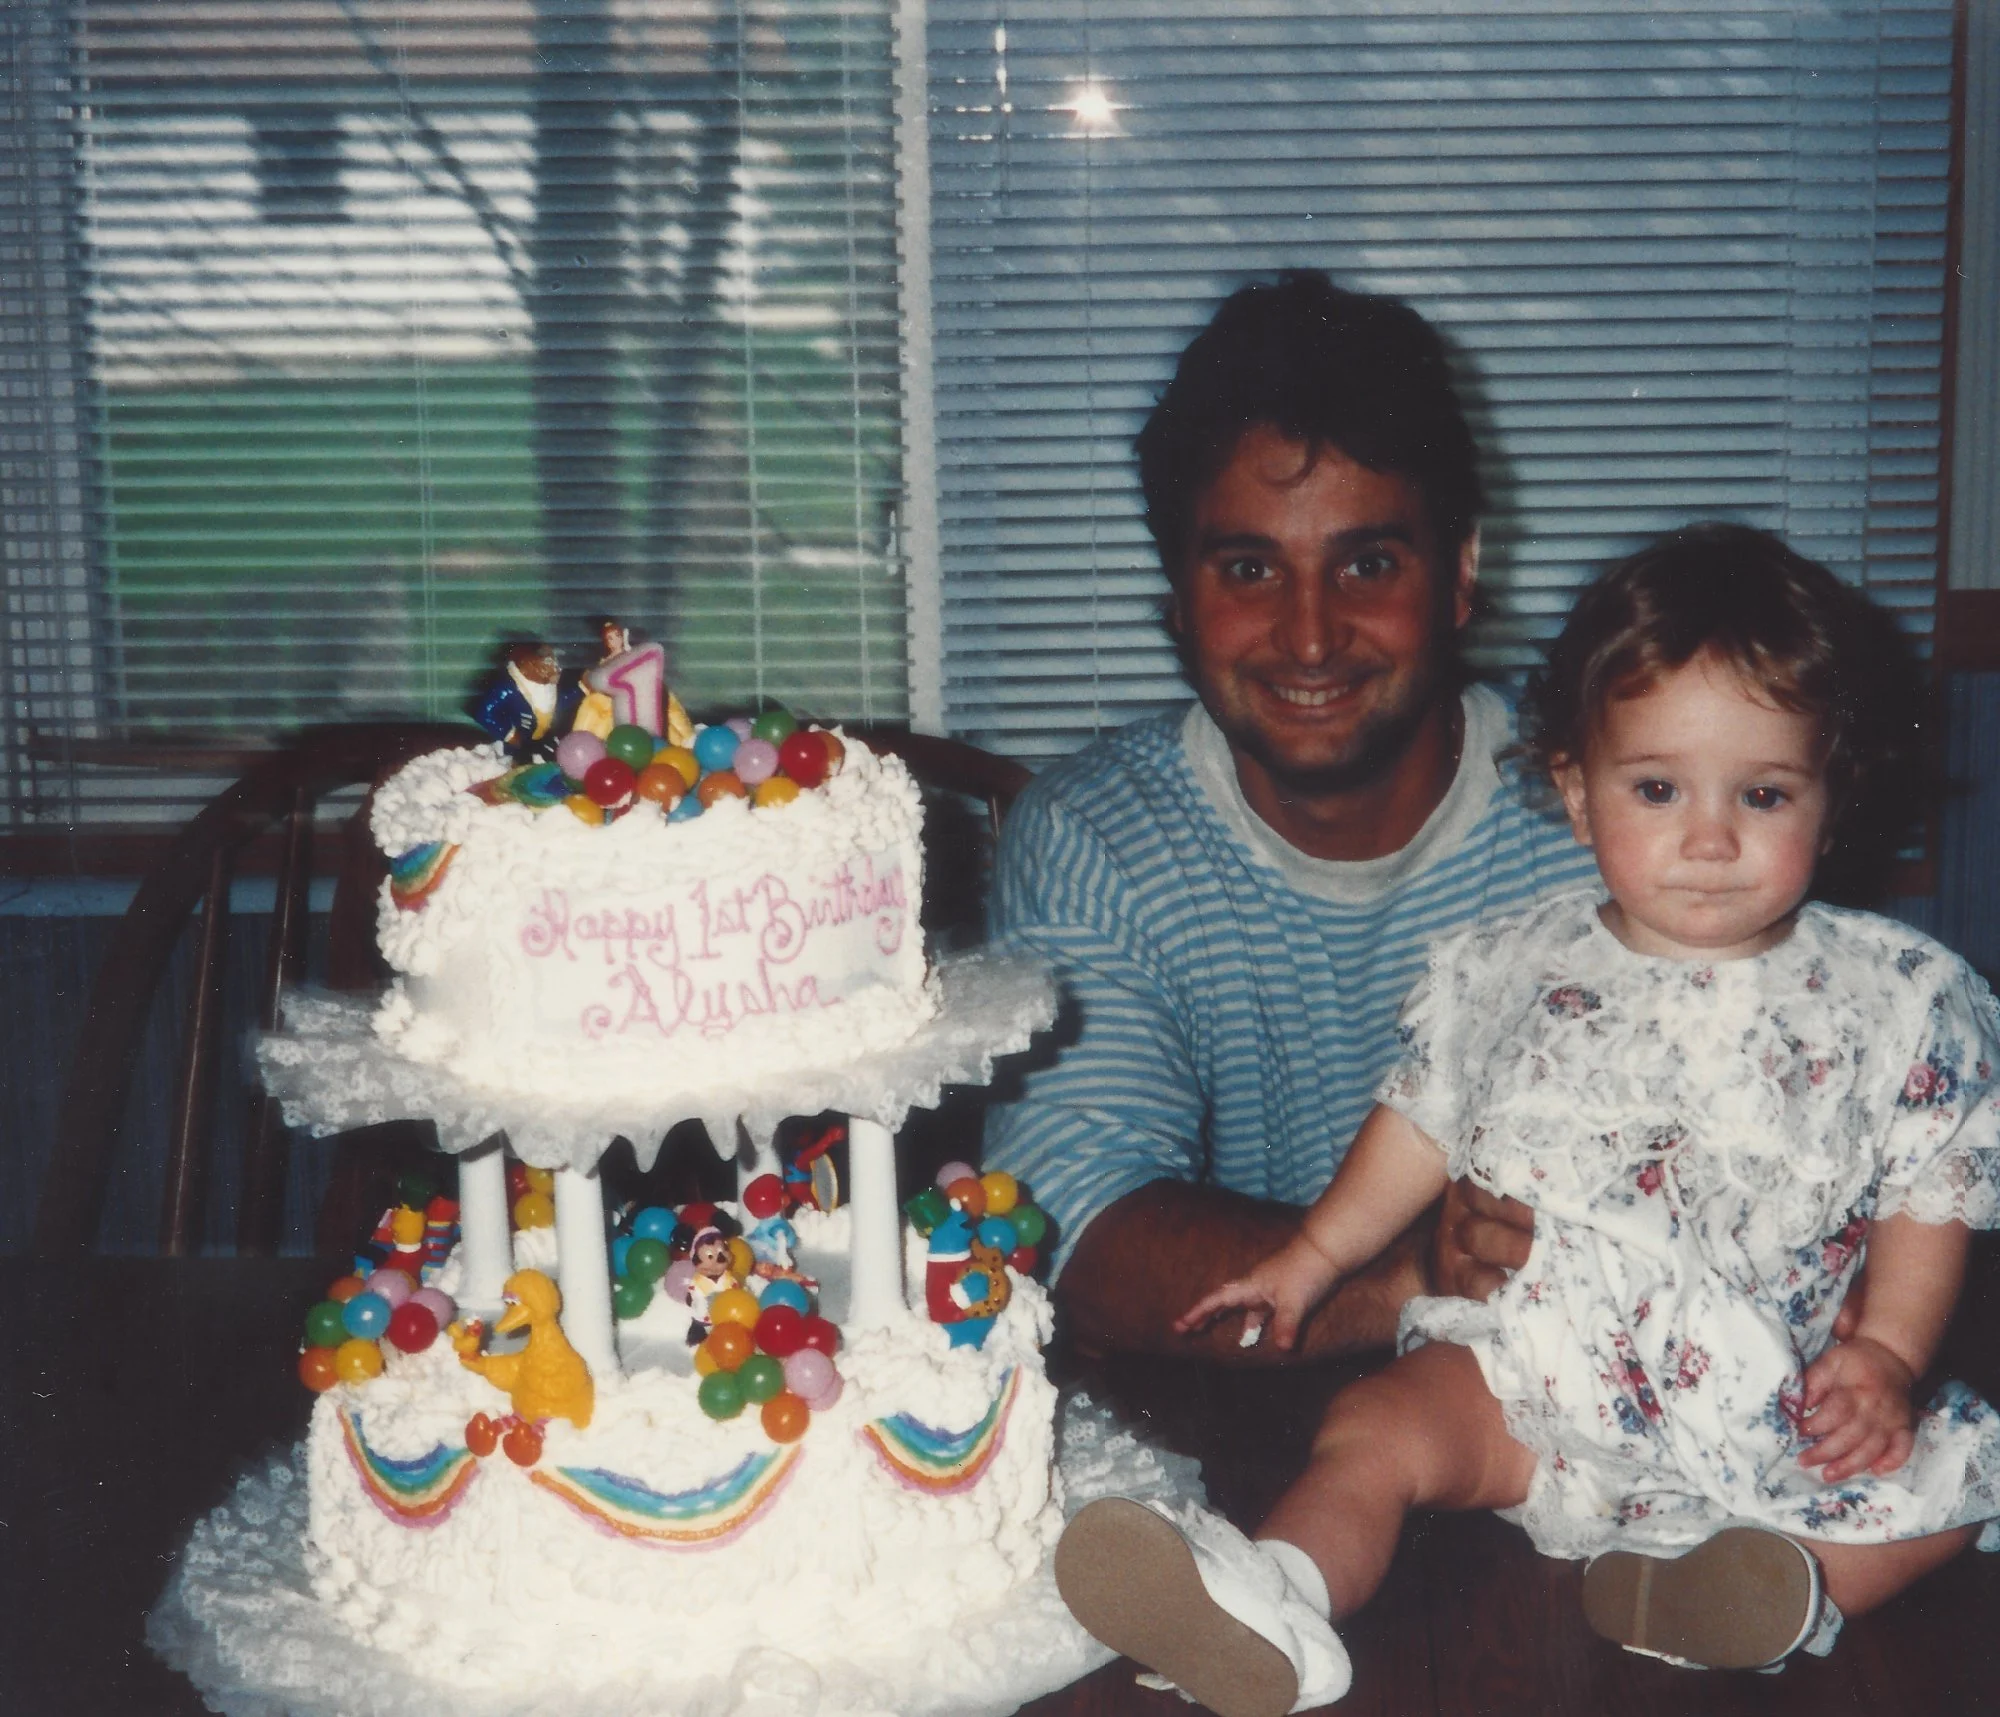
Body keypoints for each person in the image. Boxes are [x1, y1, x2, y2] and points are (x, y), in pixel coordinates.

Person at [1053, 525, 2000, 1717]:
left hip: (1774, 1393)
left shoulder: (1892, 996)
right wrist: (1307, 1261)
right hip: (1529, 1374)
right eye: (1656, 789)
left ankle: (1757, 1596)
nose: (1708, 839)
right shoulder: (1507, 966)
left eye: (1761, 794)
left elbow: (1935, 1180)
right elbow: (1417, 1124)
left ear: (1831, 793)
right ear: (1573, 786)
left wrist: (1888, 1356)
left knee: (1942, 1491)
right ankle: (1271, 1597)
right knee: (1372, 1427)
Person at [982, 271, 1597, 1361]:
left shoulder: (1602, 819)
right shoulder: (1093, 839)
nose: (1308, 638)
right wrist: (1416, 1280)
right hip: (1227, 1433)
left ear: (1457, 575)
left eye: (1365, 563)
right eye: (1249, 567)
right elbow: (1068, 1235)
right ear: (1175, 596)